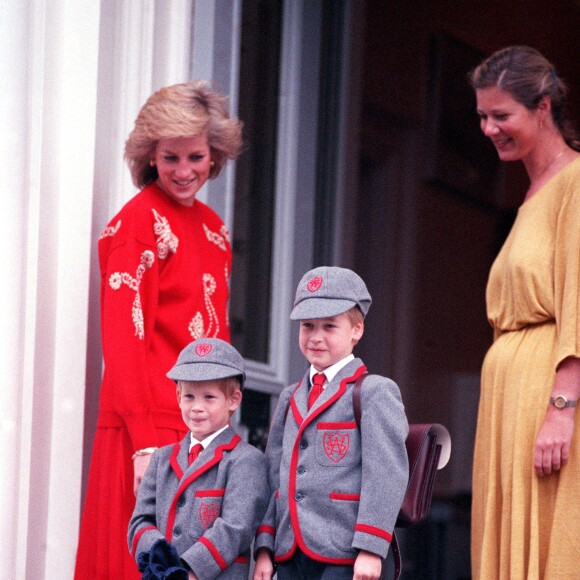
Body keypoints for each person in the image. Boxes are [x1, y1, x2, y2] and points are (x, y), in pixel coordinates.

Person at [75, 81, 243, 579]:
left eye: (196, 156)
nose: (184, 171)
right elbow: (125, 345)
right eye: (170, 158)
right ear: (150, 156)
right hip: (143, 428)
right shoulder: (134, 225)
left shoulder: (216, 229)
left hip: (200, 423)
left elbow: (218, 337)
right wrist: (146, 445)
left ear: (215, 155)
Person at [469, 46, 580, 579]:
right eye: (482, 117)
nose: (489, 128)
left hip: (547, 397)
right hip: (509, 402)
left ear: (542, 106)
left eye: (501, 115)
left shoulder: (575, 183)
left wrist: (561, 407)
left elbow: (577, 300)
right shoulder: (532, 193)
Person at [253, 266, 409, 580]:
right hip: (289, 549)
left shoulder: (374, 392)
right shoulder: (289, 397)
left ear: (356, 330)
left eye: (329, 326)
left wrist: (371, 546)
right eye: (308, 325)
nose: (316, 337)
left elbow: (386, 474)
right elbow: (272, 478)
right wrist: (265, 547)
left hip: (344, 551)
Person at [128, 338, 269, 579]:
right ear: (178, 396)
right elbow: (140, 521)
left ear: (233, 400)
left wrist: (189, 570)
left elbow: (235, 528)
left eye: (209, 398)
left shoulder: (247, 460)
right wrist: (161, 560)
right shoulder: (161, 459)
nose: (197, 407)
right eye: (190, 396)